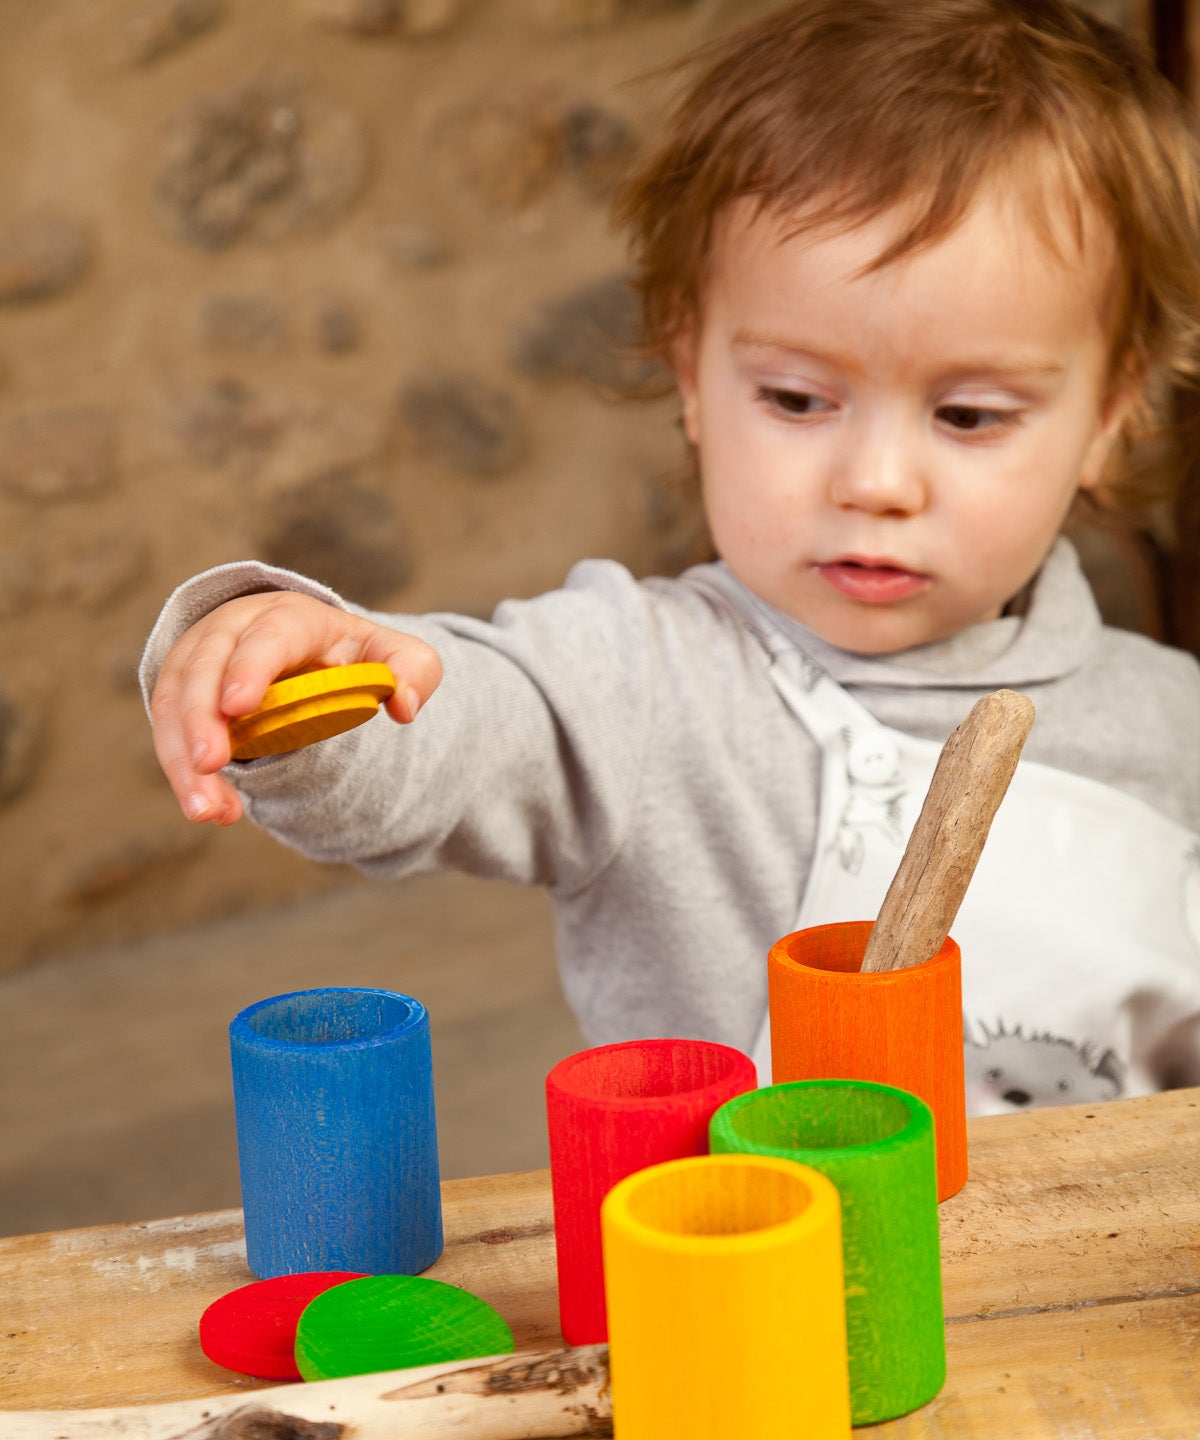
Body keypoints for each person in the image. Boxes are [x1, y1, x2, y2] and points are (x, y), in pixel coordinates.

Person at [142, 0, 1200, 1115]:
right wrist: (318, 685)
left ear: (1112, 415)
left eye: (972, 416)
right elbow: (449, 731)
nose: (878, 483)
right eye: (796, 398)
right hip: (731, 1278)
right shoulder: (637, 680)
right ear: (692, 374)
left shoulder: (1175, 724)